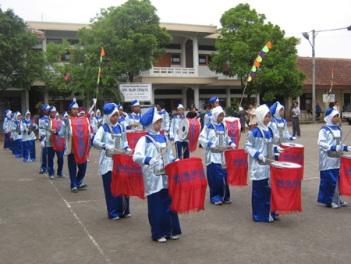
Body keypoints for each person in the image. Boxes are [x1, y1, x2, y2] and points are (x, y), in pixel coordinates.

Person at [133, 107, 181, 243]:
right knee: (156, 205)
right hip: (153, 178)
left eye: (160, 122)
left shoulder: (164, 137)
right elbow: (136, 156)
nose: (159, 125)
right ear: (150, 124)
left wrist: (174, 160)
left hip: (166, 175)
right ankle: (158, 233)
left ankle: (171, 230)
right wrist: (149, 160)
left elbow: (169, 154)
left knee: (169, 202)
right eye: (157, 122)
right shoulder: (144, 140)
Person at [93, 103, 132, 220]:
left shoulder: (120, 127)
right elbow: (95, 141)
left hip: (121, 161)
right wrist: (105, 146)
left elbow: (124, 141)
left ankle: (124, 210)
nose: (115, 118)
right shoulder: (103, 128)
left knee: (123, 185)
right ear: (108, 116)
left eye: (116, 115)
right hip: (108, 162)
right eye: (113, 116)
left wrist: (127, 148)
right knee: (110, 187)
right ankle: (113, 211)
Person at [244, 104, 279, 222]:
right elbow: (247, 146)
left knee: (269, 190)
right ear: (259, 117)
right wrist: (257, 154)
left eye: (269, 116)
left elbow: (272, 144)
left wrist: (276, 150)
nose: (268, 119)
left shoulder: (270, 130)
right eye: (265, 116)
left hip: (269, 165)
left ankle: (270, 212)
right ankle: (259, 214)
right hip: (258, 167)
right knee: (259, 191)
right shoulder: (254, 132)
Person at [199, 106, 236, 205]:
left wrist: (231, 142)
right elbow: (201, 138)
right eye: (220, 116)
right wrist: (210, 144)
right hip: (212, 156)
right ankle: (215, 197)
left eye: (223, 115)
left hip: (222, 155)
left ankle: (225, 196)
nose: (222, 118)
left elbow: (226, 137)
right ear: (215, 116)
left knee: (224, 176)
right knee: (215, 177)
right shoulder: (208, 126)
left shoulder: (224, 126)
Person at [317, 108, 350, 208]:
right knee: (329, 180)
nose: (337, 118)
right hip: (327, 160)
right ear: (330, 117)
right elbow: (321, 143)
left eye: (338, 116)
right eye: (335, 116)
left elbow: (339, 144)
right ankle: (329, 200)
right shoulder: (324, 130)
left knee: (337, 179)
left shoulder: (338, 129)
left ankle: (337, 199)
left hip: (337, 159)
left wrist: (346, 147)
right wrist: (333, 147)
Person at [59, 99, 90, 192]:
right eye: (73, 109)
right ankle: (74, 184)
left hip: (82, 148)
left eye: (77, 109)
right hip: (72, 149)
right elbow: (61, 134)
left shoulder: (82, 119)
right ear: (70, 110)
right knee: (72, 168)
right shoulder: (66, 121)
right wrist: (65, 126)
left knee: (83, 169)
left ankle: (78, 181)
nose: (76, 111)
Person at [47, 106, 64, 179]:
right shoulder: (46, 120)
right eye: (52, 112)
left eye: (54, 112)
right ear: (49, 113)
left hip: (58, 142)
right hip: (50, 142)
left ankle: (59, 172)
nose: (53, 113)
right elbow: (43, 130)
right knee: (50, 158)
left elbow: (62, 130)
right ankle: (51, 173)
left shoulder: (60, 120)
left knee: (60, 158)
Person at [38, 104, 50, 174]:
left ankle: (49, 167)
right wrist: (42, 139)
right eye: (46, 109)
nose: (48, 110)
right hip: (45, 138)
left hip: (51, 138)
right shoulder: (41, 119)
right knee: (44, 153)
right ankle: (43, 167)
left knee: (50, 154)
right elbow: (41, 130)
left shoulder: (50, 118)